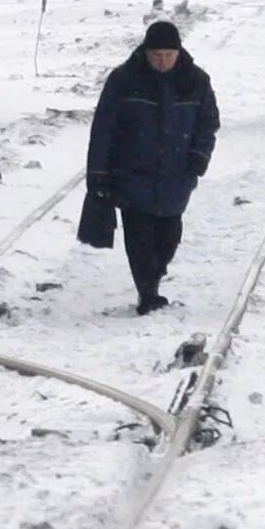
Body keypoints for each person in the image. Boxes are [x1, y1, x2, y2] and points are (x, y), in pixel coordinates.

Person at [85, 20, 221, 315]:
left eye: (168, 55)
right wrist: (98, 173)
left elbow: (208, 122)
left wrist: (199, 156)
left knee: (169, 234)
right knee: (138, 235)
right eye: (156, 55)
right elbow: (104, 128)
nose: (162, 62)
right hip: (132, 171)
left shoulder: (195, 81)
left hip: (177, 173)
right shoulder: (124, 80)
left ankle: (154, 276)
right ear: (146, 53)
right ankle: (148, 292)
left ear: (178, 52)